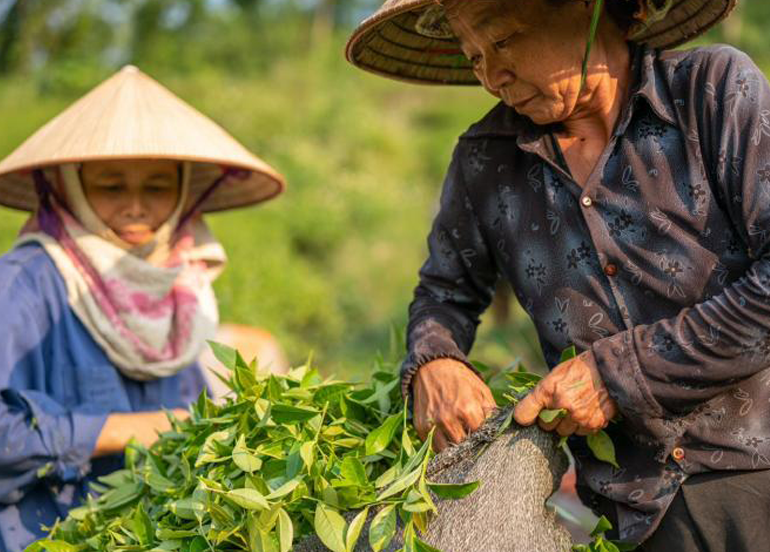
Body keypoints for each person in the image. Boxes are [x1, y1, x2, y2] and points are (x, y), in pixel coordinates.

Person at [347, 0, 770, 550]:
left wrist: (613, 374)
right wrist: (436, 359)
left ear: (587, 9)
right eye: (474, 56)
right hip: (636, 513)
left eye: (503, 41)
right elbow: (443, 294)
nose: (492, 76)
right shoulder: (487, 160)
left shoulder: (710, 91)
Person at [0, 65, 285, 552]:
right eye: (111, 187)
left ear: (182, 194)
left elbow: (190, 426)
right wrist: (129, 430)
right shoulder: (27, 283)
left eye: (156, 187)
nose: (136, 207)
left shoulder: (180, 289)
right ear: (71, 186)